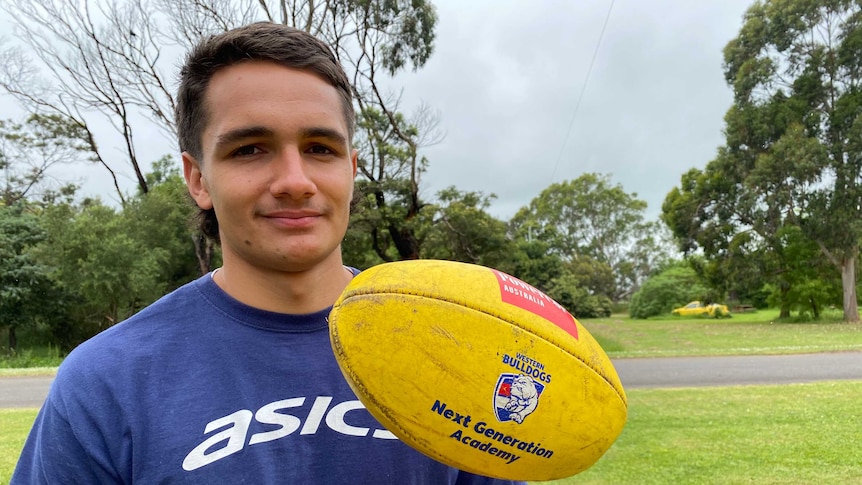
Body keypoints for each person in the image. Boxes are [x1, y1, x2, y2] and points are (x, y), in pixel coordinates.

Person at [11, 22, 523, 484]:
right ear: (198, 179)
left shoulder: (457, 348)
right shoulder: (105, 381)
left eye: (320, 148)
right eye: (250, 149)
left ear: (352, 169)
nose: (295, 182)